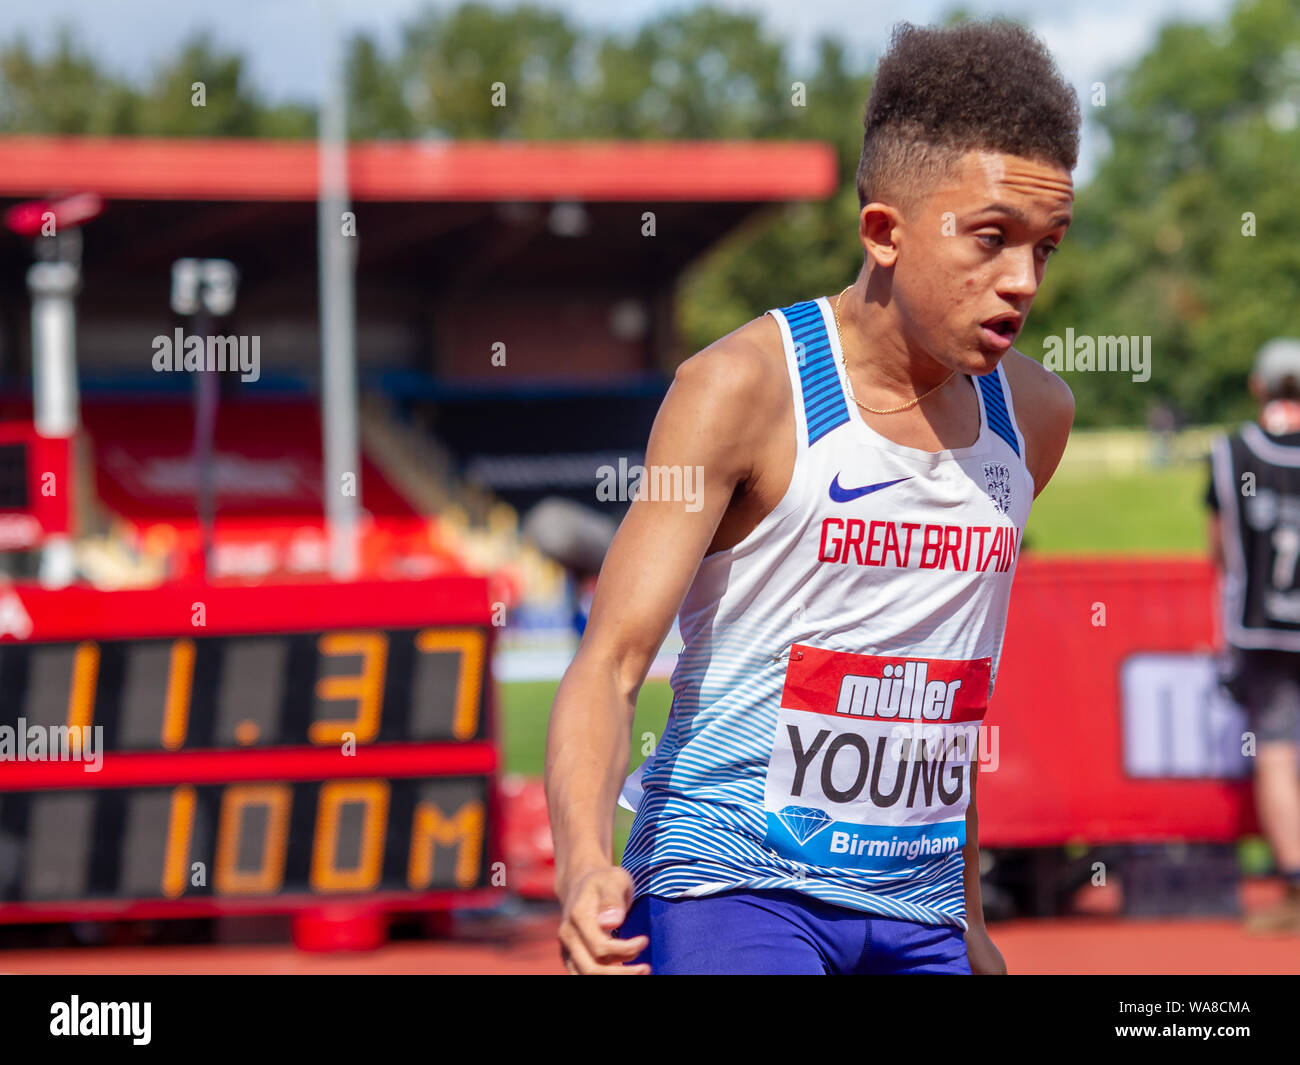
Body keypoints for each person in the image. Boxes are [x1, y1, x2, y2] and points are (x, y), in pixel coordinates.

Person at [545, 18, 1078, 975]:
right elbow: (613, 660)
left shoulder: (1033, 417)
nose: (1022, 282)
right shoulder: (743, 389)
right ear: (884, 231)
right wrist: (584, 862)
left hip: (919, 910)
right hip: (730, 883)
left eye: (1047, 247)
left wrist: (970, 916)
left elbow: (943, 687)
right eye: (992, 240)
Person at [1208, 337, 1300, 934]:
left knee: (1274, 749)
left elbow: (1218, 547)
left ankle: (1294, 882)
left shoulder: (1232, 451)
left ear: (1258, 387)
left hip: (1263, 627)